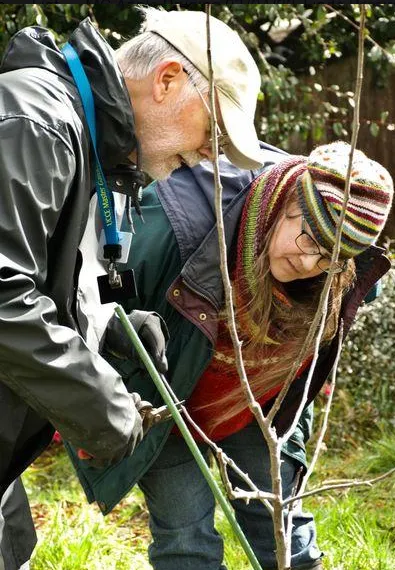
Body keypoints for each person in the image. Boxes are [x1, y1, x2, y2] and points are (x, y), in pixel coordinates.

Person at [0, 6, 263, 569]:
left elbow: (44, 285)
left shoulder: (88, 143)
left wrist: (107, 326)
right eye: (211, 132)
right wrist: (105, 406)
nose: (205, 157)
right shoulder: (36, 121)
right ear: (167, 80)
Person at [71, 141, 393, 569]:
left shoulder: (342, 279)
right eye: (309, 237)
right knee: (186, 538)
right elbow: (86, 303)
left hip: (252, 404)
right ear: (285, 201)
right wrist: (98, 415)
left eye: (329, 258)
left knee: (281, 523)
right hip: (167, 407)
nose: (308, 260)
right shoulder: (174, 224)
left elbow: (307, 370)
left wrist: (289, 438)